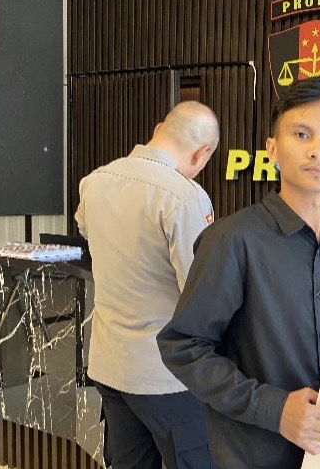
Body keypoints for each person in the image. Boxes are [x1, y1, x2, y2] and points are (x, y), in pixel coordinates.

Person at [157, 77, 320, 469]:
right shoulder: (232, 241)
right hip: (253, 455)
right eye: (301, 134)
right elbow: (183, 346)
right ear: (273, 149)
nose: (318, 149)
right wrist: (274, 409)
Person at [75, 100, 219, 469]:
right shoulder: (184, 197)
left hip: (110, 366)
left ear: (158, 130)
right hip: (166, 377)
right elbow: (200, 293)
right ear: (202, 153)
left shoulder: (94, 181)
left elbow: (89, 236)